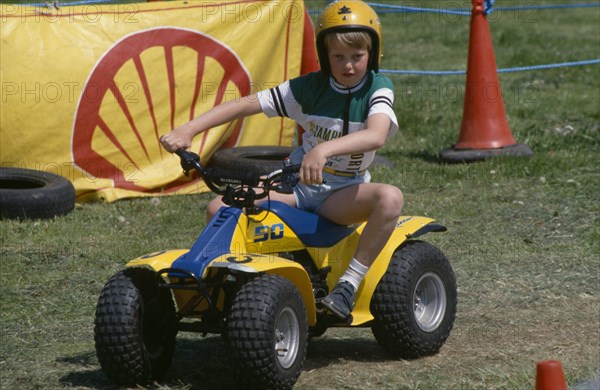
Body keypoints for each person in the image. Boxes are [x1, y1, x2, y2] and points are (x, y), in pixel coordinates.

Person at [160, 0, 403, 321]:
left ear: (372, 53)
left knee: (391, 198)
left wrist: (321, 151)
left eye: (357, 57)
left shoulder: (377, 87)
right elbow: (246, 104)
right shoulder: (307, 88)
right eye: (338, 57)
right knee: (218, 207)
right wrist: (189, 129)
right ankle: (224, 290)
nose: (348, 66)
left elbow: (377, 135)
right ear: (323, 55)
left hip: (344, 193)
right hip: (297, 188)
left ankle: (348, 285)